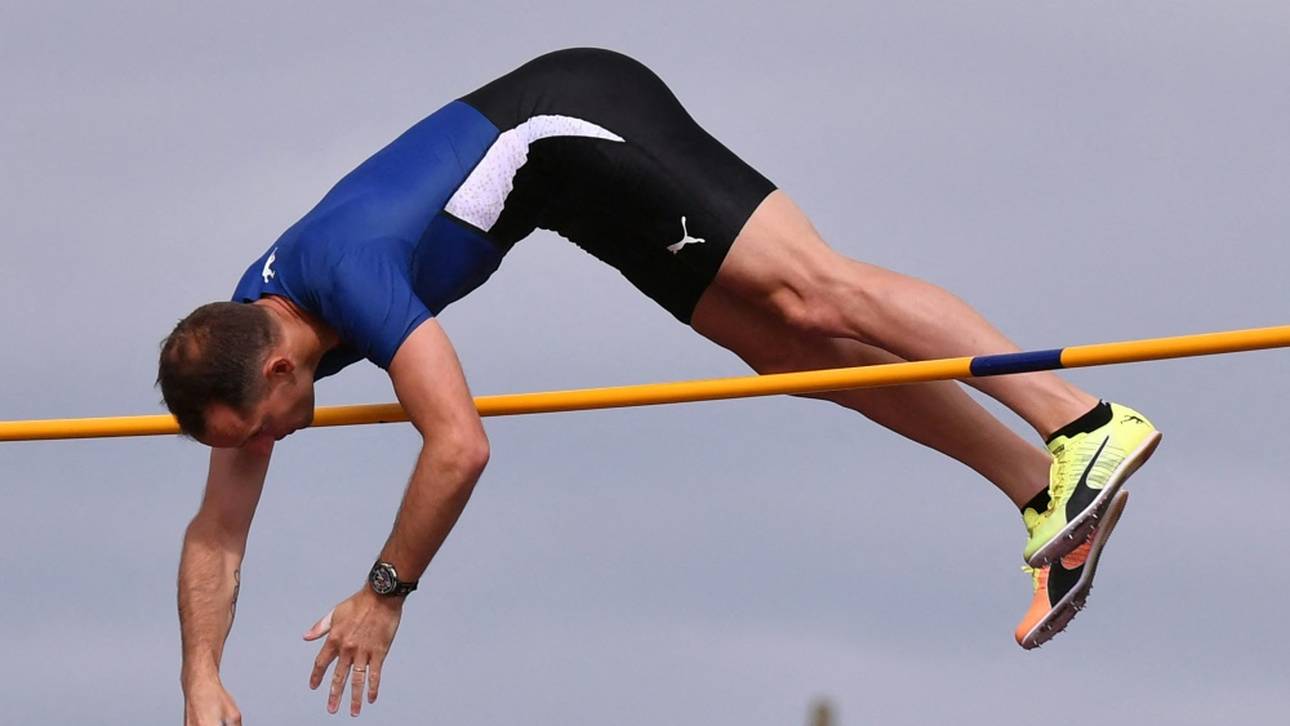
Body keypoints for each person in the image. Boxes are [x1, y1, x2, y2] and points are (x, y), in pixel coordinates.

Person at [158, 48, 1161, 724]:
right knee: (795, 356)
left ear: (280, 368)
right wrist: (202, 678)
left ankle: (1079, 420)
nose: (265, 447)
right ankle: (1043, 489)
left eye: (260, 430)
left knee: (814, 291)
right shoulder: (249, 335)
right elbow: (218, 531)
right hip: (566, 198)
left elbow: (458, 445)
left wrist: (386, 593)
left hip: (579, 119)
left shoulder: (350, 277)